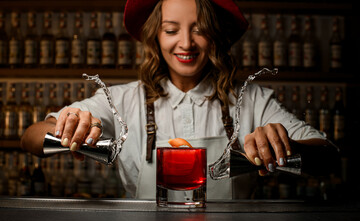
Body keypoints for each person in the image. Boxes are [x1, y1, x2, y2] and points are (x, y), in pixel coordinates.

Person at [21, 0, 338, 199]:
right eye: (171, 30)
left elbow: (329, 159)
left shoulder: (252, 99)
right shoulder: (119, 99)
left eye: (198, 29)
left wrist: (286, 146)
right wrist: (68, 128)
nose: (186, 43)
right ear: (156, 37)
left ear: (214, 35)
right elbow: (31, 137)